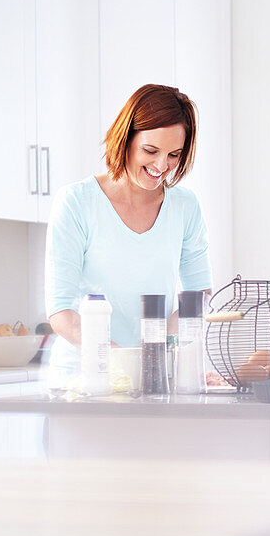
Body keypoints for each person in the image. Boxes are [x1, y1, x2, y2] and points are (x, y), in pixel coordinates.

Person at [44, 84, 211, 388]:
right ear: (126, 139)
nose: (162, 166)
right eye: (151, 150)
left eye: (174, 154)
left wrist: (165, 355)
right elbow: (60, 309)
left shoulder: (185, 207)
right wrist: (120, 362)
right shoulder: (77, 202)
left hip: (154, 380)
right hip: (82, 381)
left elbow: (197, 296)